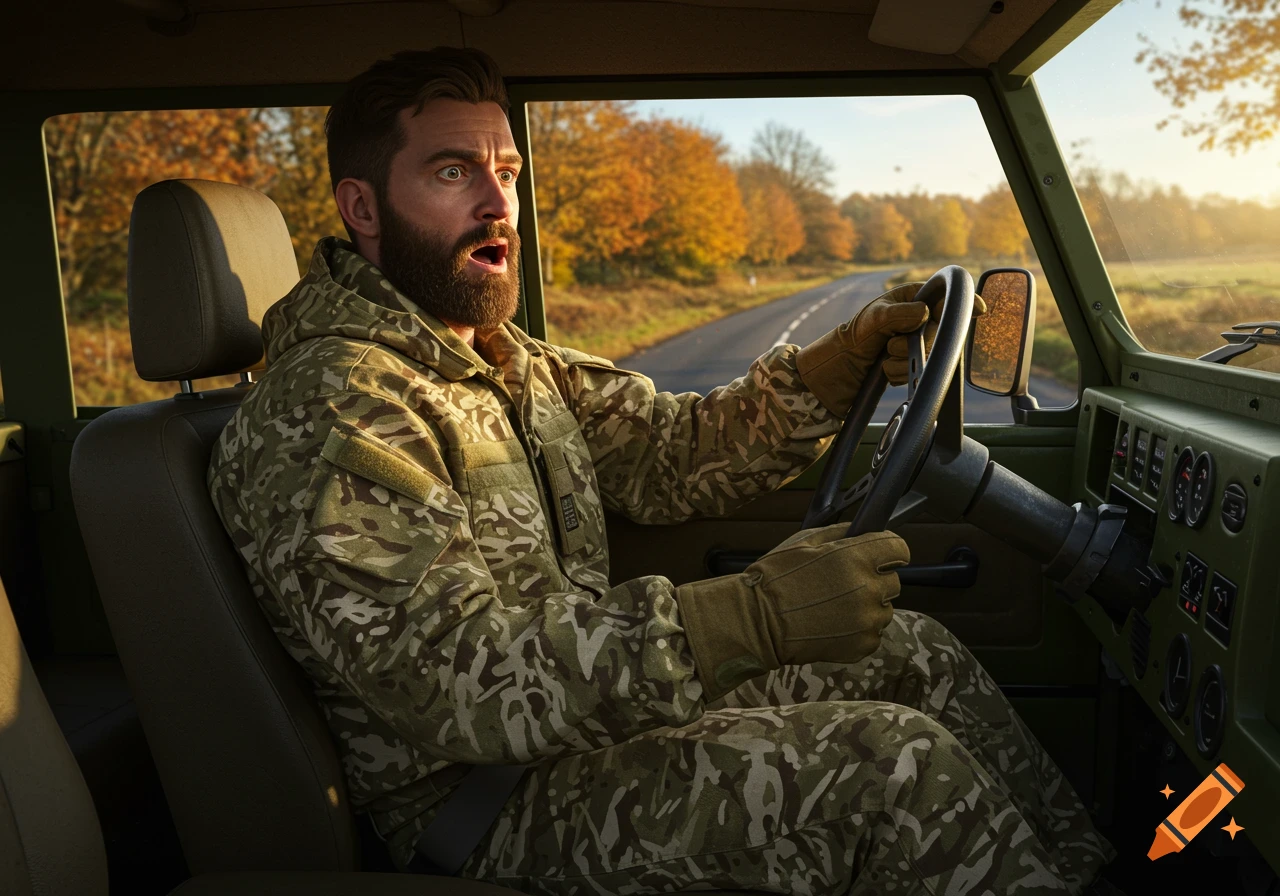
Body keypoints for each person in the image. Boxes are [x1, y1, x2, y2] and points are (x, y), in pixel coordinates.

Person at [208, 47, 1117, 895]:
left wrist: (830, 371)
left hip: (583, 729)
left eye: (507, 173)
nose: (497, 204)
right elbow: (459, 683)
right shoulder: (332, 408)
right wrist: (749, 619)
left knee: (909, 653)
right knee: (891, 767)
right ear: (362, 209)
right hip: (489, 801)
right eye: (454, 172)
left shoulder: (493, 355)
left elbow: (666, 456)